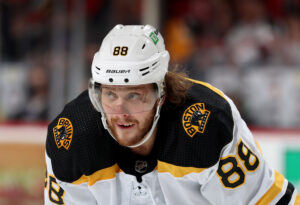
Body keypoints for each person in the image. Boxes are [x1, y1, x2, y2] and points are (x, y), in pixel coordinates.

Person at [44, 24, 299, 204]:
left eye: (134, 95)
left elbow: (267, 201)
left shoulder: (205, 123)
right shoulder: (71, 137)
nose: (120, 112)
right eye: (110, 95)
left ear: (161, 95)